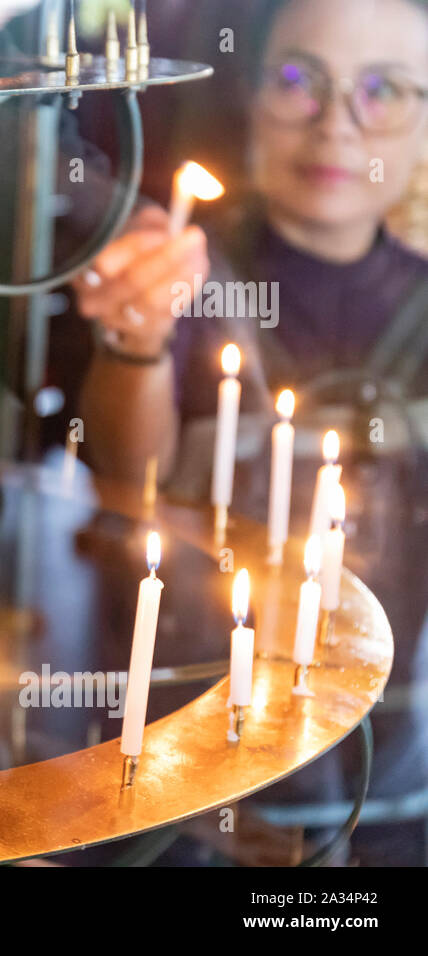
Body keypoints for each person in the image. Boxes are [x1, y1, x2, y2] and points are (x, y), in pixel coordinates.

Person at [66, 0, 428, 864]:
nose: (336, 124)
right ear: (250, 98)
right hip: (187, 760)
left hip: (390, 773)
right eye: (300, 81)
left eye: (385, 90)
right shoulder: (187, 268)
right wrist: (136, 340)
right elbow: (130, 466)